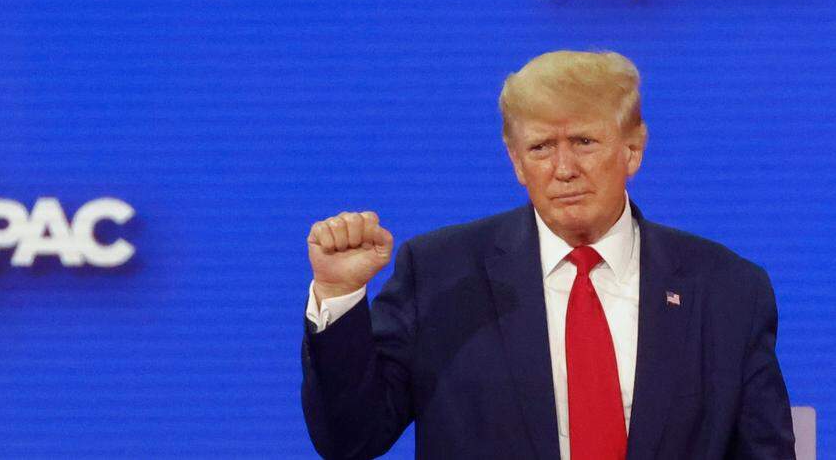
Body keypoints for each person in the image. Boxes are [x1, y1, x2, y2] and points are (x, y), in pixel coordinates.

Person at [301, 50, 794, 459]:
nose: (564, 169)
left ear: (633, 149)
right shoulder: (440, 275)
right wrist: (340, 296)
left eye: (583, 141)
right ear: (515, 161)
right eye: (540, 147)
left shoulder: (727, 289)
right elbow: (350, 439)